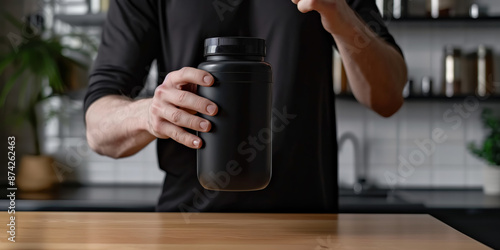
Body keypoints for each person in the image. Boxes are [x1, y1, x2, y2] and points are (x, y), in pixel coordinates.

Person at [84, 0, 407, 213]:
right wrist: (149, 114)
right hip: (187, 225)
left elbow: (388, 96)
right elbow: (98, 129)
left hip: (305, 226)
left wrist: (339, 15)